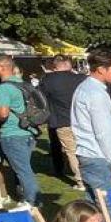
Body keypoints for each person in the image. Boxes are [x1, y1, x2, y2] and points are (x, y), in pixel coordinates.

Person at [0, 54, 41, 206]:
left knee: (23, 170)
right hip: (28, 132)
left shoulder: (3, 88)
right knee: (24, 167)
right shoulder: (22, 84)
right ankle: (27, 198)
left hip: (12, 133)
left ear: (2, 67)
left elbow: (3, 114)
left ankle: (33, 202)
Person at [72, 50, 111, 196]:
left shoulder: (84, 87)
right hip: (98, 157)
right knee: (108, 209)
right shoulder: (96, 93)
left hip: (87, 154)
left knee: (93, 208)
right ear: (101, 69)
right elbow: (103, 133)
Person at [38, 55, 87, 192]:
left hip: (61, 120)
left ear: (54, 66)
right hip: (82, 119)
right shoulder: (81, 78)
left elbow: (40, 100)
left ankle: (80, 180)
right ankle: (87, 176)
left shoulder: (47, 80)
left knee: (71, 151)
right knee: (84, 148)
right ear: (69, 64)